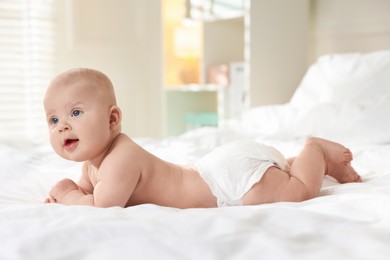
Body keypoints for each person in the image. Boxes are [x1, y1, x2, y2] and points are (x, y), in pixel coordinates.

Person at [43, 68, 361, 208]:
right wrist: (71, 191)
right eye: (54, 119)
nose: (62, 127)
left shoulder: (120, 159)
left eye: (75, 113)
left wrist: (65, 194)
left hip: (226, 183)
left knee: (299, 191)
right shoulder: (94, 166)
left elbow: (100, 205)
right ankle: (296, 163)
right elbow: (88, 190)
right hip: (217, 170)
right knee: (279, 177)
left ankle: (315, 150)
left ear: (113, 119)